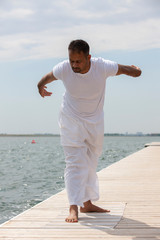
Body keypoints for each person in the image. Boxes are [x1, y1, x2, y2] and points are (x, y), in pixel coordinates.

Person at [37, 39, 141, 223]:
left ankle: (87, 203)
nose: (74, 65)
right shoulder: (63, 68)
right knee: (75, 162)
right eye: (72, 61)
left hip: (94, 121)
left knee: (91, 161)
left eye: (78, 61)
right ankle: (73, 207)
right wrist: (40, 86)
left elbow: (126, 70)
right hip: (70, 118)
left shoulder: (102, 66)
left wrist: (137, 71)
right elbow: (47, 78)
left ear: (89, 58)